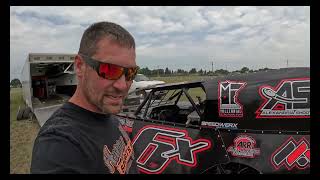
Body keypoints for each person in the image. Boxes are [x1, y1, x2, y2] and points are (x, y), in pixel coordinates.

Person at [31, 21, 139, 174]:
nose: (122, 85)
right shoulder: (59, 143)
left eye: (130, 73)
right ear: (80, 66)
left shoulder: (107, 114)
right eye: (109, 70)